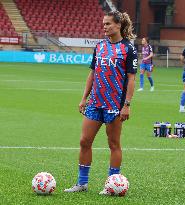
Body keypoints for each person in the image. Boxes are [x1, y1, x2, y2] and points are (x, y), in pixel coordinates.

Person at [64, 10, 137, 195]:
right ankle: (82, 183)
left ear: (118, 25)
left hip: (115, 105)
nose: (104, 27)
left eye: (108, 24)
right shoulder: (100, 46)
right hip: (95, 102)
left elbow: (131, 79)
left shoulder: (128, 49)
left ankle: (112, 184)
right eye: (103, 24)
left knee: (113, 144)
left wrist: (127, 105)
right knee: (84, 141)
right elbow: (93, 73)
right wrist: (84, 98)